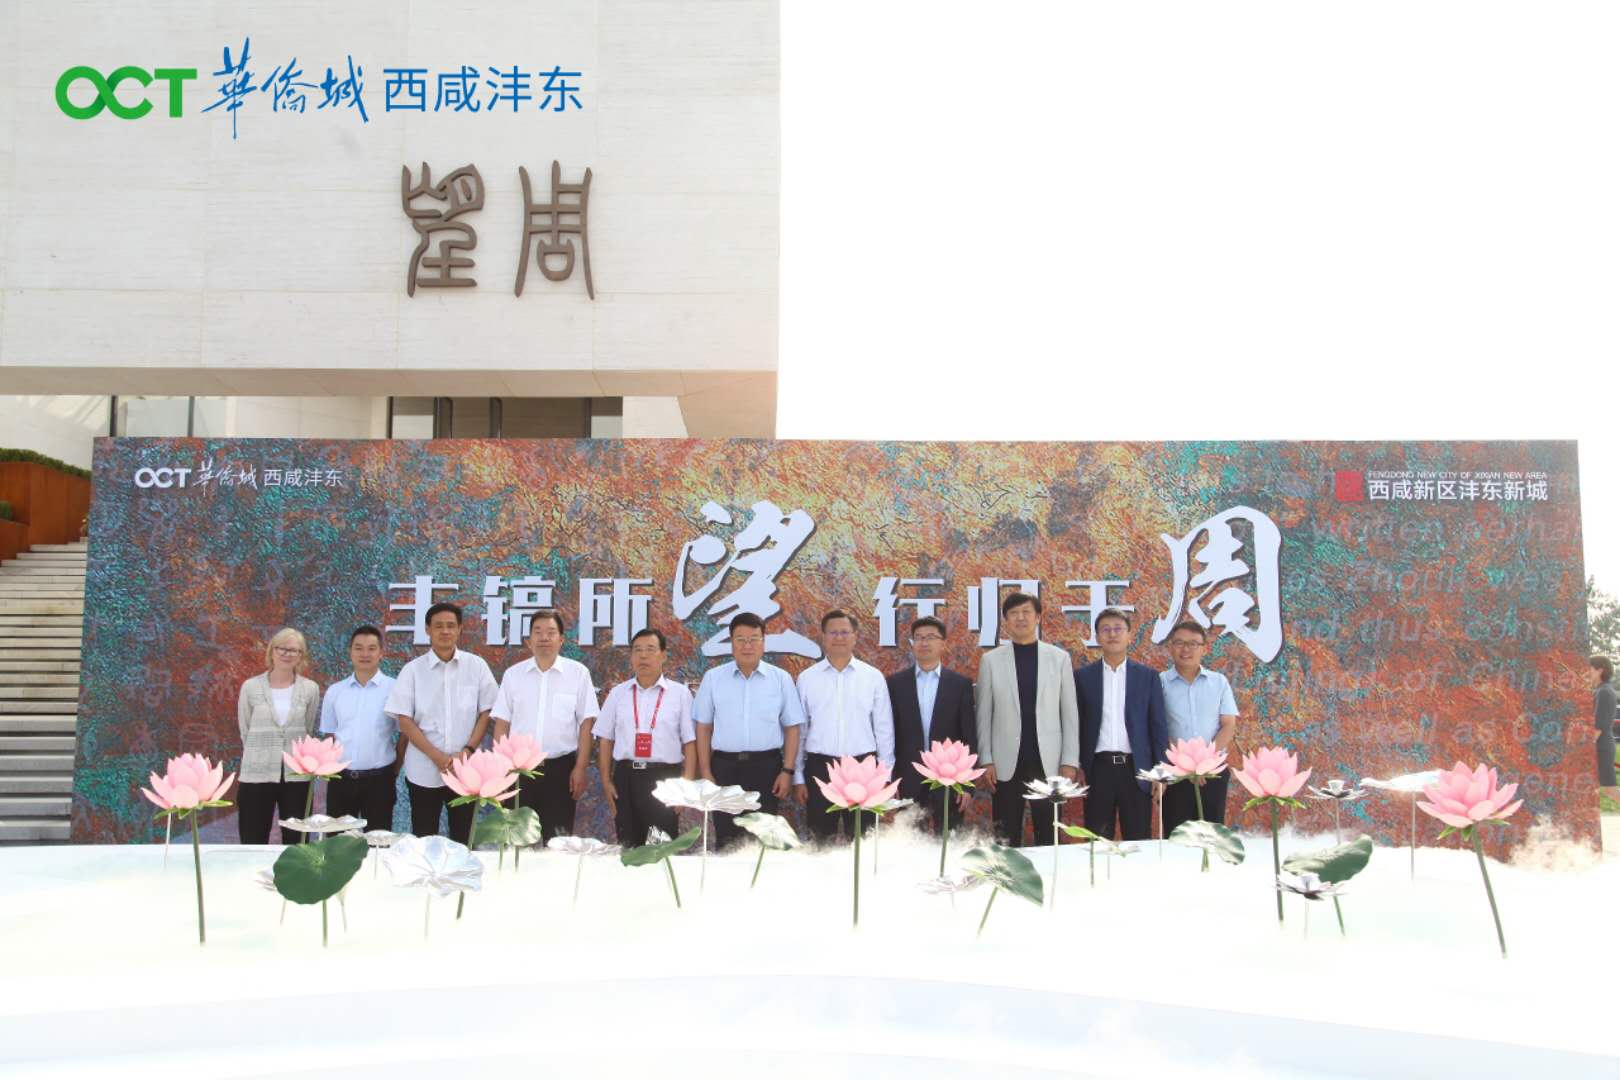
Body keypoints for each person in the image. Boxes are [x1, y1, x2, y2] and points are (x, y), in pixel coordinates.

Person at [385, 602, 498, 844]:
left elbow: (486, 711)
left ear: (459, 629)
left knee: (463, 840)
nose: (445, 631)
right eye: (438, 626)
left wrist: (467, 751)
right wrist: (436, 756)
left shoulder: (476, 666)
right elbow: (405, 720)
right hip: (423, 769)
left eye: (450, 626)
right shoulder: (412, 671)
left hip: (465, 770)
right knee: (424, 839)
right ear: (428, 630)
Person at [974, 592, 1080, 847]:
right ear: (1006, 621)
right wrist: (986, 759)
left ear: (1038, 617)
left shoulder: (1059, 658)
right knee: (1005, 835)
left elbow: (1069, 713)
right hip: (1005, 763)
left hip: (1048, 762)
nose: (1020, 618)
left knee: (1049, 834)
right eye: (1013, 613)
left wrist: (1069, 761)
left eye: (1026, 612)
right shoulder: (990, 660)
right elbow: (983, 713)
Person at [694, 612, 805, 849]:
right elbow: (703, 727)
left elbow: (792, 728)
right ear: (731, 643)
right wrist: (705, 771)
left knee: (764, 840)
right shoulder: (713, 678)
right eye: (741, 639)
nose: (747, 645)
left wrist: (787, 771)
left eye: (754, 639)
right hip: (724, 769)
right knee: (727, 840)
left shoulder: (780, 679)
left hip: (766, 769)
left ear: (763, 642)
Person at [489, 608, 599, 843]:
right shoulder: (513, 675)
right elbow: (502, 725)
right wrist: (499, 770)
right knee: (516, 844)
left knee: (557, 843)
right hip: (518, 771)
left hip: (560, 770)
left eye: (551, 632)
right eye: (537, 632)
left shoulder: (578, 674)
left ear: (561, 639)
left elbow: (586, 724)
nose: (544, 638)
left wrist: (580, 767)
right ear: (529, 641)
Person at [794, 609, 896, 842]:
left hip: (863, 768)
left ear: (855, 637)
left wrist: (885, 774)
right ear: (823, 637)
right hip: (820, 768)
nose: (839, 637)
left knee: (862, 840)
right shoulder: (807, 678)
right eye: (833, 632)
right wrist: (798, 776)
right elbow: (800, 731)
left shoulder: (872, 677)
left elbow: (884, 730)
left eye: (844, 632)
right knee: (820, 840)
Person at [595, 627, 696, 846]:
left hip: (665, 779)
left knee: (661, 848)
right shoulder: (618, 693)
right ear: (631, 656)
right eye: (638, 650)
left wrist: (686, 787)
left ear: (663, 655)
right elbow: (605, 739)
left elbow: (690, 743)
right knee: (628, 847)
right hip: (626, 777)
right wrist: (606, 780)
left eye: (650, 649)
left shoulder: (680, 694)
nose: (643, 656)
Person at [1076, 607, 1169, 842]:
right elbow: (1076, 724)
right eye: (1105, 629)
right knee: (1097, 841)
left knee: (1138, 840)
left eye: (1118, 629)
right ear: (1097, 637)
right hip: (1098, 770)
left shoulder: (1147, 677)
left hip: (1137, 770)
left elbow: (1158, 726)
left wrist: (1161, 772)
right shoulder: (1083, 677)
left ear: (1129, 635)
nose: (1112, 634)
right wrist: (1078, 765)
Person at [887, 615, 975, 831]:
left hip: (950, 778)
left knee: (949, 839)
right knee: (910, 841)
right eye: (918, 637)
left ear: (943, 643)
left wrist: (967, 784)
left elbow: (969, 736)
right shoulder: (896, 684)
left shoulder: (959, 684)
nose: (924, 642)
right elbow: (889, 734)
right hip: (908, 776)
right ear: (912, 644)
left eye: (930, 637)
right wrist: (891, 778)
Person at [237, 627, 321, 844]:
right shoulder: (251, 687)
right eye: (281, 648)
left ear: (301, 656)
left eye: (294, 650)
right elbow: (245, 729)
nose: (286, 654)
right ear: (272, 651)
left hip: (296, 775)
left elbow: (307, 729)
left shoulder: (310, 689)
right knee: (252, 838)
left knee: (297, 840)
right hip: (256, 773)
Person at [1158, 619, 1239, 834]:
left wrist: (1204, 762)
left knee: (1212, 837)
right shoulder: (1159, 682)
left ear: (1204, 648)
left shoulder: (1219, 682)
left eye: (1193, 644)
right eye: (1179, 643)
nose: (1186, 649)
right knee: (1177, 837)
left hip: (1212, 772)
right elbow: (1158, 727)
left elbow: (1228, 724)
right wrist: (1186, 765)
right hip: (1175, 773)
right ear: (1170, 647)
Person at [319, 625, 401, 830]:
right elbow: (329, 734)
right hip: (341, 780)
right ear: (350, 652)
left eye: (371, 648)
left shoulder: (395, 689)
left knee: (378, 842)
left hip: (380, 781)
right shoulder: (335, 691)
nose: (365, 654)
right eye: (359, 648)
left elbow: (405, 734)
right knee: (338, 842)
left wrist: (394, 770)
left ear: (381, 653)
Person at [1592, 655, 1618, 805]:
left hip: (1601, 748)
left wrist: (1584, 748)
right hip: (1601, 746)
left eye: (1589, 669)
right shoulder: (1602, 690)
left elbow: (1599, 725)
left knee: (1610, 789)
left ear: (1599, 670)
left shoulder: (1604, 692)